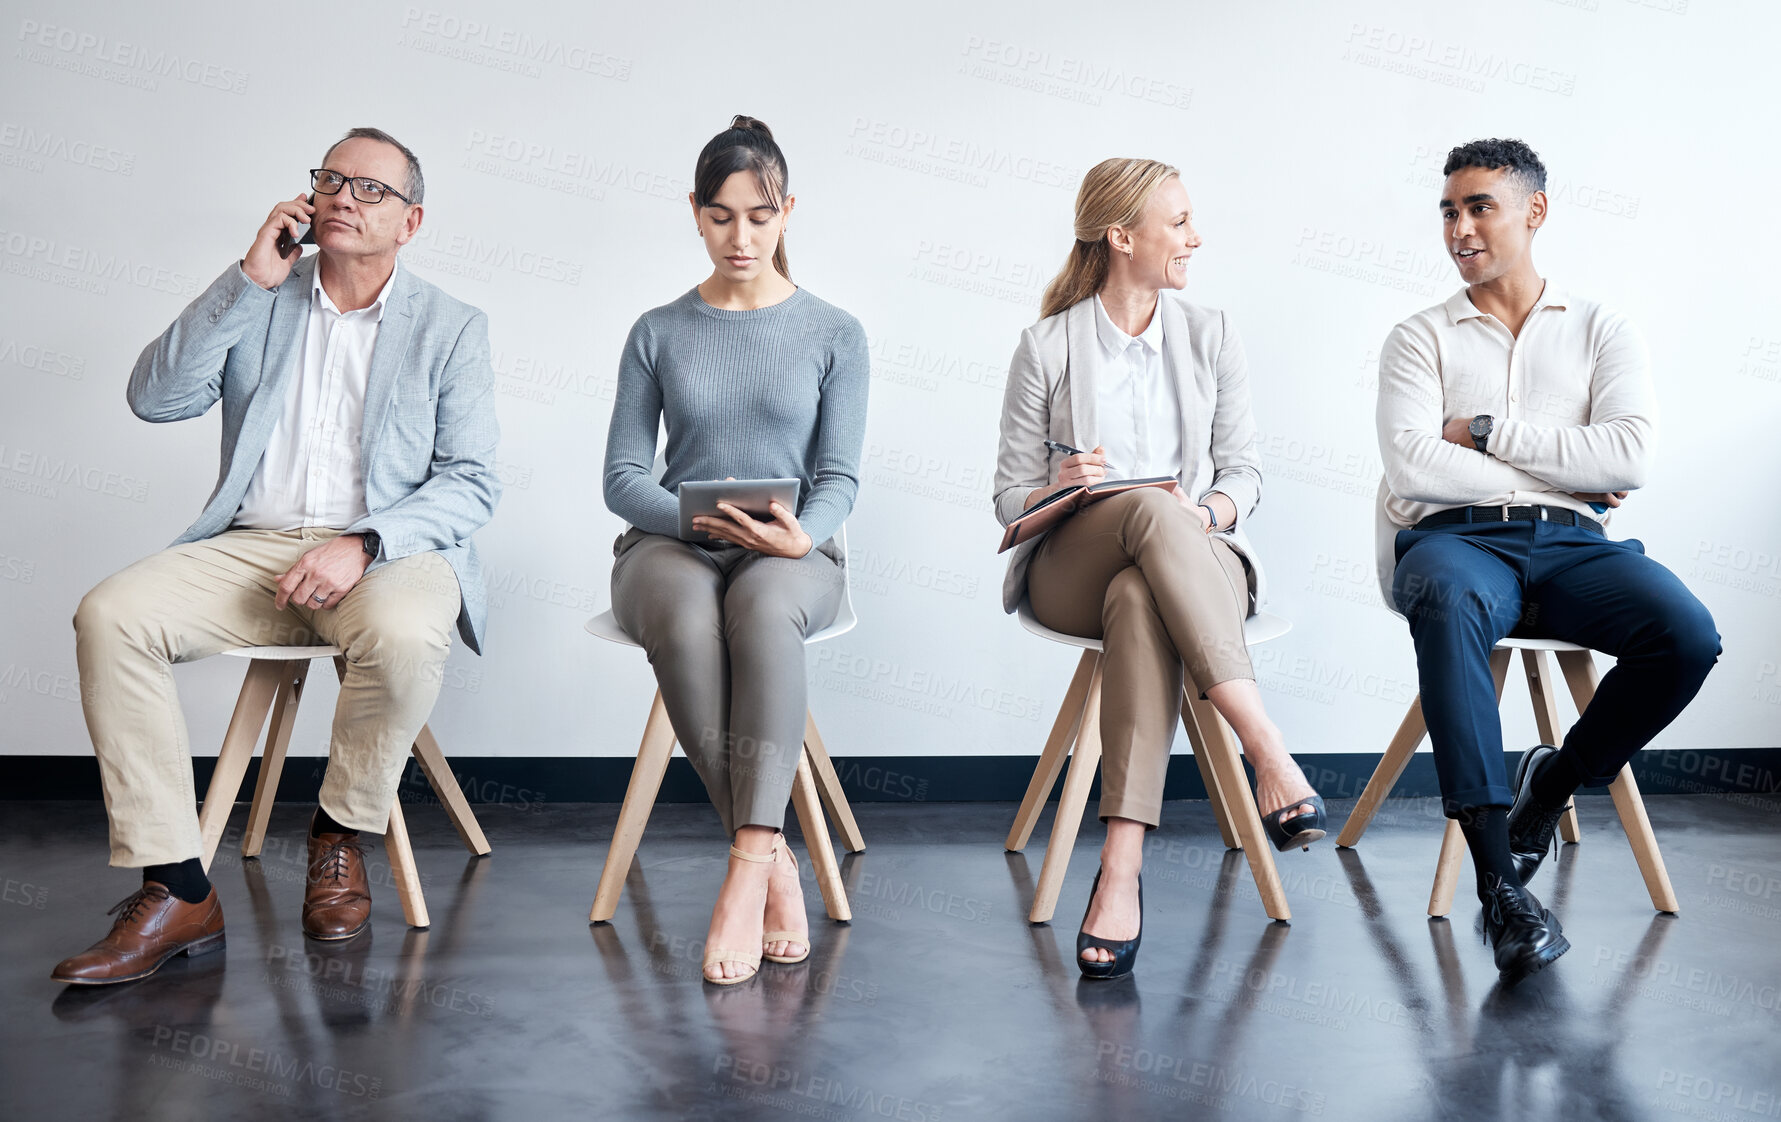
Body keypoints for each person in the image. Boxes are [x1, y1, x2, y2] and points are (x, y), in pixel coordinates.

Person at [53, 128, 502, 985]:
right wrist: (247, 280)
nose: (342, 195)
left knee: (405, 635)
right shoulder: (263, 297)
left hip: (386, 551)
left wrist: (363, 542)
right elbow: (154, 399)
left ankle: (340, 834)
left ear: (410, 222)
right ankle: (179, 886)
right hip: (253, 547)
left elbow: (472, 484)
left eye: (369, 188)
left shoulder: (451, 327)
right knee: (110, 615)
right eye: (330, 178)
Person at [1375, 137, 1719, 977]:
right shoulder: (1418, 337)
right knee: (1449, 604)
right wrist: (1567, 464)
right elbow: (1412, 462)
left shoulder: (1603, 328)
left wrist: (1485, 429)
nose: (1458, 228)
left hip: (1570, 545)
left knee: (1684, 636)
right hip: (1453, 538)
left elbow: (1628, 459)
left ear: (1533, 211)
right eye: (1448, 212)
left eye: (1478, 207)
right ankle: (1501, 890)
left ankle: (1553, 785)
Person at [993, 157, 1323, 980]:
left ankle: (1119, 869)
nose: (1194, 236)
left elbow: (1242, 473)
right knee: (1142, 512)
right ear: (1121, 236)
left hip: (1196, 561)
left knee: (1141, 590)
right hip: (1072, 561)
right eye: (1177, 222)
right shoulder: (1046, 346)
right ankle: (1266, 747)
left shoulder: (1211, 334)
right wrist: (1058, 487)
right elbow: (1007, 500)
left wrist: (1202, 515)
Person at [602, 116, 868, 986]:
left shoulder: (835, 332)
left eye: (758, 216)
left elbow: (838, 478)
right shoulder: (657, 330)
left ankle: (747, 863)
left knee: (759, 613)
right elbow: (622, 477)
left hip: (792, 552)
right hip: (672, 543)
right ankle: (773, 856)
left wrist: (803, 534)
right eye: (720, 217)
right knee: (683, 619)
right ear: (694, 214)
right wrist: (700, 523)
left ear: (787, 211)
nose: (740, 237)